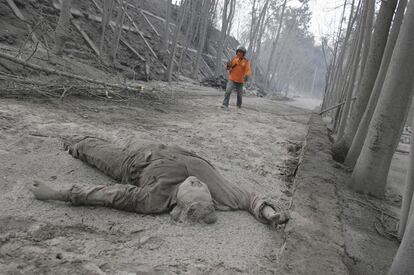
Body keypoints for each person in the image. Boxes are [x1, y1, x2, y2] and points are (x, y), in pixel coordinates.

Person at [29, 137, 289, 226]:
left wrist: (57, 193)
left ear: (179, 203)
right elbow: (250, 200)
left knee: (87, 147)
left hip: (130, 162)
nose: (197, 182)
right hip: (161, 145)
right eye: (203, 187)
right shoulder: (220, 191)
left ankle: (69, 143)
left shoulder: (153, 200)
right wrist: (269, 213)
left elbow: (106, 194)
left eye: (194, 188)